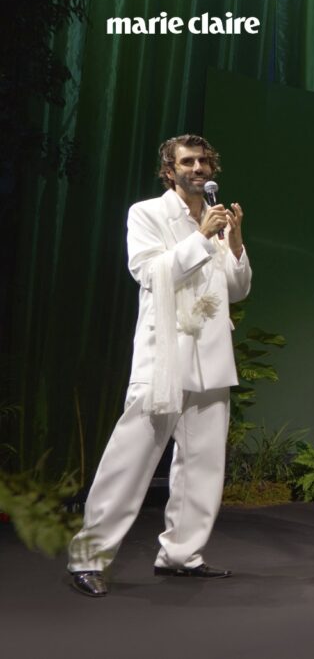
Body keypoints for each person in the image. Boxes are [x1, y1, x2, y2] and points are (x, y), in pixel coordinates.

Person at [67, 134, 252, 597]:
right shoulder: (146, 213)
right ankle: (88, 557)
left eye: (204, 161)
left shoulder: (218, 218)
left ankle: (182, 554)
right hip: (165, 353)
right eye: (187, 162)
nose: (198, 168)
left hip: (211, 356)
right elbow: (148, 273)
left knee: (204, 464)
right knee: (130, 459)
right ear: (169, 170)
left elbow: (236, 290)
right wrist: (203, 236)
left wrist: (235, 242)